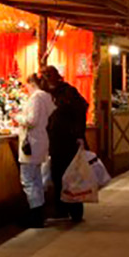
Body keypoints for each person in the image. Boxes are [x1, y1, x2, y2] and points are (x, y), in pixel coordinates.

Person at [41, 65, 89, 222]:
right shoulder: (45, 93)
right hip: (53, 140)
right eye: (44, 74)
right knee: (57, 176)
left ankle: (75, 210)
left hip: (68, 140)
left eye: (49, 74)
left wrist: (78, 133)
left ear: (57, 75)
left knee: (71, 176)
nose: (47, 77)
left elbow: (83, 107)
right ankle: (61, 209)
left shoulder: (68, 91)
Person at [15, 73, 56, 228]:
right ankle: (39, 213)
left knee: (28, 180)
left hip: (31, 143)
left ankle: (35, 214)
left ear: (31, 83)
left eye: (26, 86)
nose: (26, 89)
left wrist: (17, 117)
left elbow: (31, 120)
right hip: (41, 141)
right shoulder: (47, 97)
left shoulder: (36, 98)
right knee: (37, 178)